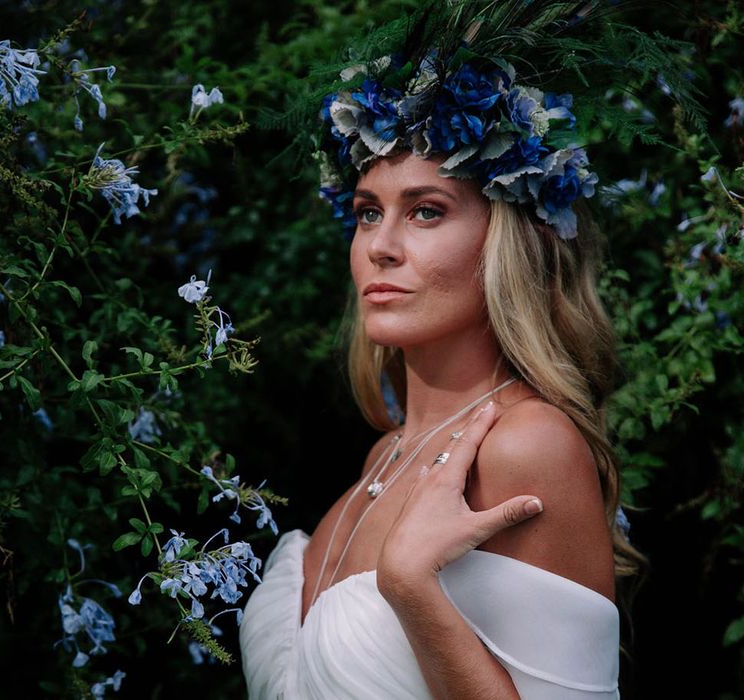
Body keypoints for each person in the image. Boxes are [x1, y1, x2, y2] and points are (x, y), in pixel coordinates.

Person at [238, 2, 672, 697]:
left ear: (508, 243)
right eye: (367, 213)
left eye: (426, 211)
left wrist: (413, 587)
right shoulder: (385, 451)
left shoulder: (528, 447)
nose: (380, 245)